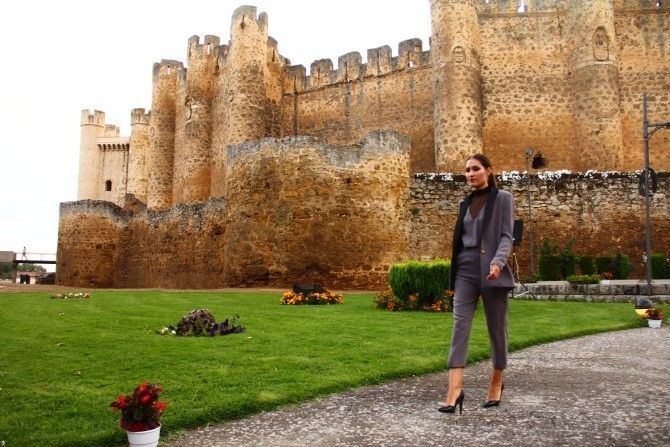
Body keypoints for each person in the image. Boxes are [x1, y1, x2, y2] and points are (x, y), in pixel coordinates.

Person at [438, 153, 515, 414]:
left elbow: (506, 236)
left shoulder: (503, 198)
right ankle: (454, 390)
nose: (470, 174)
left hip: (492, 270)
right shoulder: (464, 202)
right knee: (460, 326)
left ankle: (497, 382)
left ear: (488, 171)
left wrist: (498, 262)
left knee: (497, 328)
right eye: (467, 170)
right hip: (465, 270)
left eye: (475, 169)